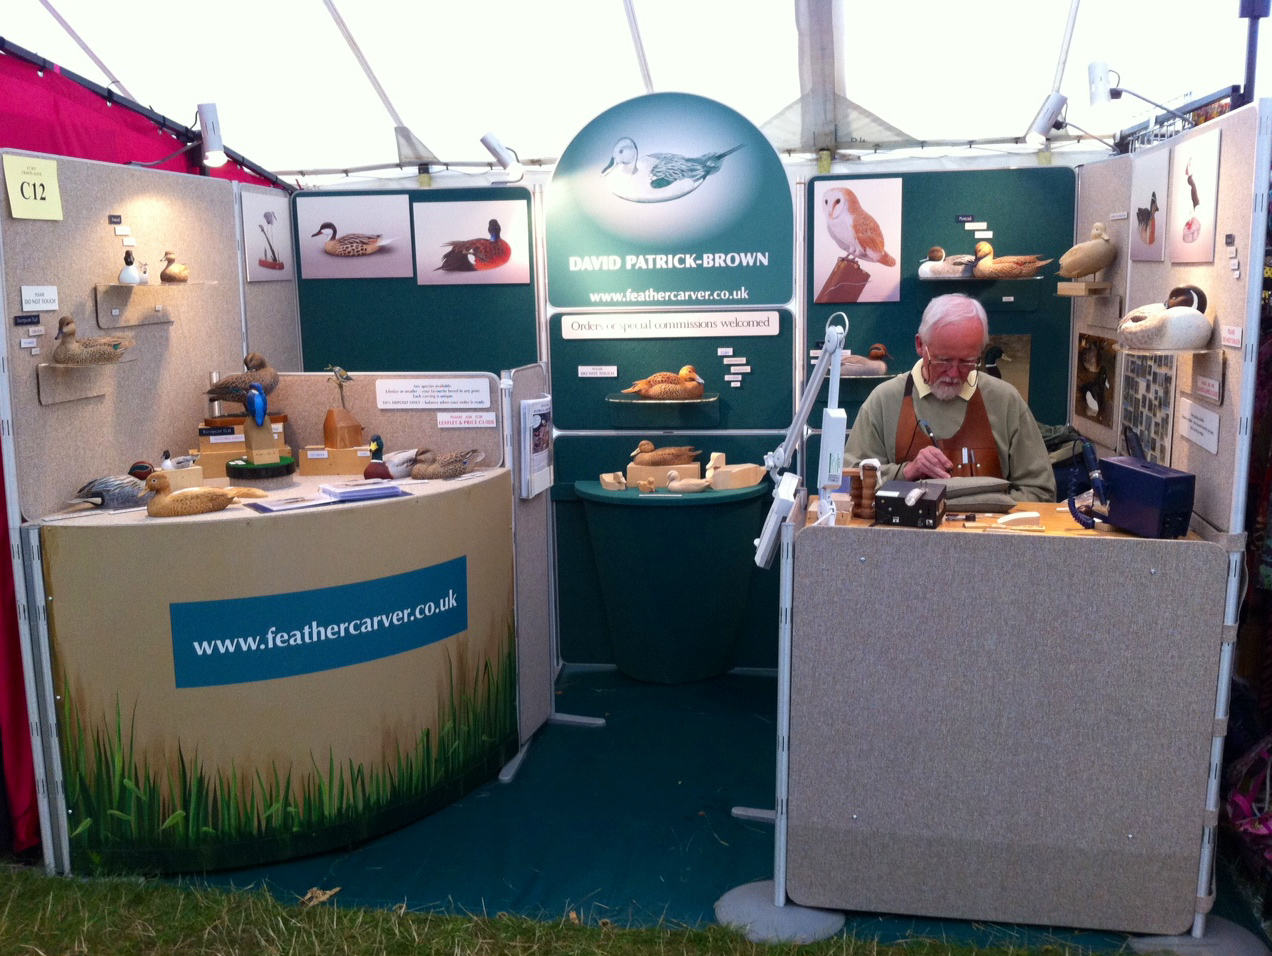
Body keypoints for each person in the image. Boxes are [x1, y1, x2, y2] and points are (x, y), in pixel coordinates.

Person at [843, 293, 1056, 502]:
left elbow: (1040, 491)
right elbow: (849, 485)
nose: (954, 373)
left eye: (967, 362)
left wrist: (989, 512)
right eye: (943, 361)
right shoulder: (884, 401)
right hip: (908, 536)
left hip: (986, 535)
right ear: (920, 345)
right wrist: (906, 472)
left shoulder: (1005, 400)